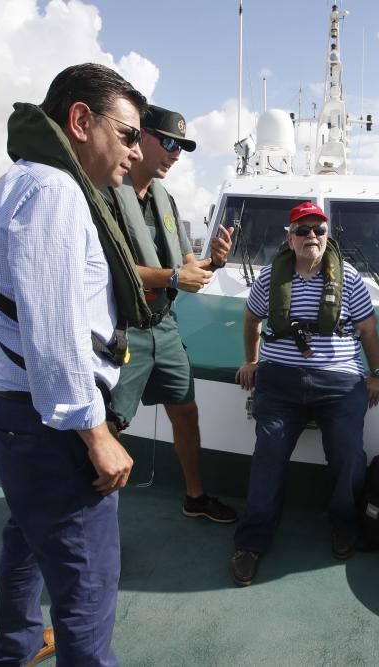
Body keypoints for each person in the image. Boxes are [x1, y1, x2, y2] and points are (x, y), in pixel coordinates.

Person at [0, 63, 147, 666]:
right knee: (87, 591)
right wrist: (95, 434)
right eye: (127, 134)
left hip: (19, 413)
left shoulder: (24, 181)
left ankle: (13, 651)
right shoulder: (55, 192)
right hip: (56, 429)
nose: (136, 151)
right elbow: (55, 331)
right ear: (79, 120)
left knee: (25, 539)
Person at [230, 201, 379, 586]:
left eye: (318, 229)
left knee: (349, 454)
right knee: (268, 456)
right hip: (280, 381)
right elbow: (252, 319)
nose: (311, 237)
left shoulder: (348, 278)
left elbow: (367, 331)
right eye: (302, 230)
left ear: (327, 235)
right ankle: (252, 542)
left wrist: (378, 373)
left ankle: (344, 525)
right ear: (289, 238)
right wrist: (251, 360)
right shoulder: (269, 277)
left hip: (338, 382)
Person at [105, 105, 237, 524]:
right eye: (169, 142)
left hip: (164, 326)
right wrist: (177, 276)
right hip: (125, 330)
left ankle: (195, 496)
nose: (175, 154)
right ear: (140, 136)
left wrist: (213, 262)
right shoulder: (107, 193)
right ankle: (95, 520)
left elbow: (185, 265)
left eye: (180, 147)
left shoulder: (165, 200)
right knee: (110, 428)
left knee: (185, 411)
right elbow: (114, 267)